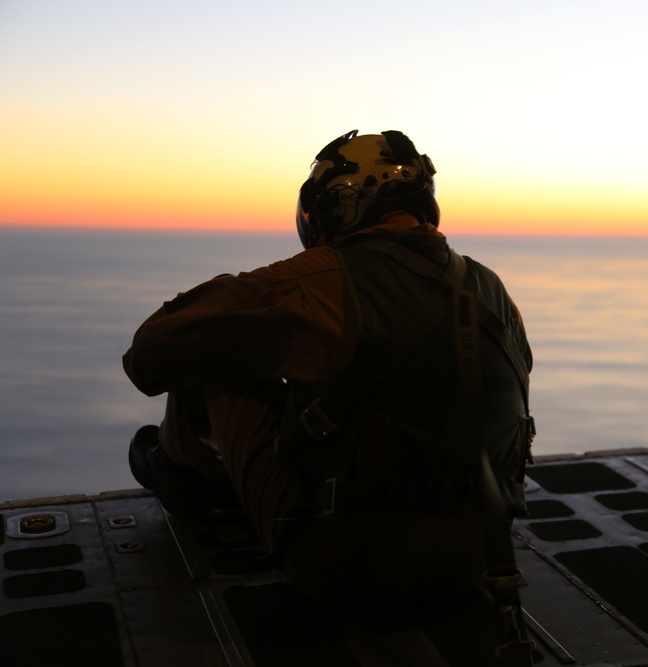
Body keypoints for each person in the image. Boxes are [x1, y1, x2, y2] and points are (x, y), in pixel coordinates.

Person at [122, 129, 534, 608]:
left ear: (338, 205)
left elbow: (149, 356)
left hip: (347, 568)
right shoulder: (491, 289)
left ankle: (187, 483)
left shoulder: (318, 278)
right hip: (478, 560)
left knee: (214, 348)